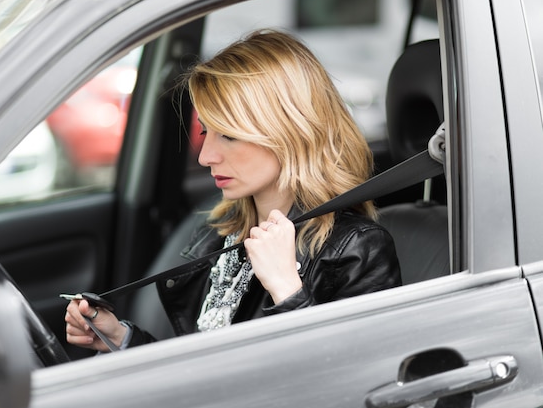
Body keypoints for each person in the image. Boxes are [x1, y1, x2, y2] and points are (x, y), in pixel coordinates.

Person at [65, 29, 401, 352]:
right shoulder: (220, 232)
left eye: (229, 134)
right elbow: (203, 371)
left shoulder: (356, 249)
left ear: (290, 131)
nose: (205, 156)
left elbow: (351, 382)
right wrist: (121, 339)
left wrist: (287, 290)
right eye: (207, 131)